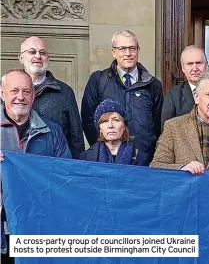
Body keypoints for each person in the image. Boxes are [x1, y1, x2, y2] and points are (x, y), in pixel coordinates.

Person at [0, 69, 71, 264]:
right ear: (2, 93)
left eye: (26, 91)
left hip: (39, 228)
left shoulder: (52, 131)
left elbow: (64, 176)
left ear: (33, 96)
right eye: (14, 91)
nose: (20, 97)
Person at [81, 30, 163, 162]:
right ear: (114, 52)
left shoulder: (153, 85)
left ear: (138, 50)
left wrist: (148, 151)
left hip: (144, 161)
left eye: (132, 48)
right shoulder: (98, 80)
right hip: (107, 160)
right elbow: (88, 120)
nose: (128, 53)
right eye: (122, 49)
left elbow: (158, 124)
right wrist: (104, 149)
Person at [18, 36, 84, 158]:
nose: (38, 56)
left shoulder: (65, 91)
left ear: (48, 58)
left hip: (53, 167)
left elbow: (76, 138)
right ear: (21, 58)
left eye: (42, 53)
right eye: (32, 52)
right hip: (17, 166)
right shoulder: (7, 90)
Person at [161, 45, 209, 129]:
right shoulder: (173, 94)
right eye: (190, 64)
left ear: (206, 65)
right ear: (183, 67)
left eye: (198, 63)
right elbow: (166, 129)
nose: (195, 68)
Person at [79, 99, 151, 166]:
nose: (110, 125)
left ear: (124, 127)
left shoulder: (141, 158)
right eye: (105, 121)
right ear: (100, 129)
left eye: (116, 120)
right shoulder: (86, 158)